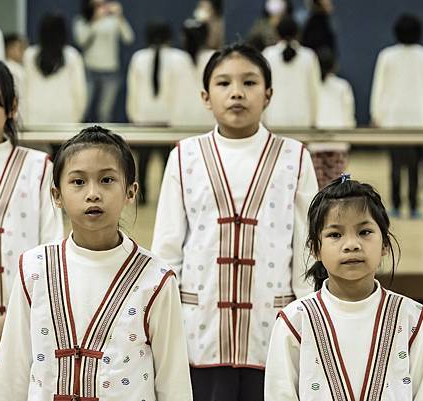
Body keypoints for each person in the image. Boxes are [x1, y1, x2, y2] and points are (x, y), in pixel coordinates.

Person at [151, 43, 318, 401]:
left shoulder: (294, 157)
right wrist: (163, 321)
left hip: (272, 322)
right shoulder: (185, 156)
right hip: (201, 324)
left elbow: (307, 247)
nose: (237, 93)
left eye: (250, 82)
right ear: (206, 96)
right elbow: (167, 247)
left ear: (268, 94)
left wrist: (309, 318)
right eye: (224, 83)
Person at [0, 125, 193, 401]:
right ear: (57, 195)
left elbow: (173, 382)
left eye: (107, 180)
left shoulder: (156, 278)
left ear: (131, 192)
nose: (93, 193)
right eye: (78, 182)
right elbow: (11, 374)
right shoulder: (34, 269)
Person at [265, 176, 423, 400]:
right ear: (315, 249)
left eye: (364, 232)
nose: (351, 245)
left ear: (385, 244)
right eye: (335, 235)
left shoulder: (412, 319)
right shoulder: (295, 322)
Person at [0, 54, 63, 401]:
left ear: (11, 106)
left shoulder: (37, 168)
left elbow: (52, 253)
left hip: (24, 332)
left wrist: (14, 319)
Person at [370, 13, 423, 219]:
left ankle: (396, 204)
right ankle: (413, 205)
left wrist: (377, 114)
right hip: (419, 118)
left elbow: (379, 87)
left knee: (395, 164)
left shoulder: (387, 55)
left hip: (393, 118)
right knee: (415, 165)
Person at [126, 21, 193, 203]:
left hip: (144, 116)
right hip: (170, 118)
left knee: (143, 160)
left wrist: (133, 114)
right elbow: (185, 91)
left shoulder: (138, 57)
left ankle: (142, 195)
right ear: (169, 37)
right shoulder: (179, 58)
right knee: (168, 160)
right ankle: (167, 197)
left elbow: (133, 89)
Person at [22, 13, 87, 126]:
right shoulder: (72, 56)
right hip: (66, 115)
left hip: (35, 115)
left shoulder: (29, 55)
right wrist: (78, 117)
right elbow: (80, 91)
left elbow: (23, 89)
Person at [74, 0, 134, 122]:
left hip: (111, 71)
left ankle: (104, 140)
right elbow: (81, 41)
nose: (101, 8)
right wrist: (94, 20)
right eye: (97, 5)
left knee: (105, 112)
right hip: (89, 70)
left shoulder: (113, 20)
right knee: (81, 109)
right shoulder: (81, 21)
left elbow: (129, 38)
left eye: (103, 4)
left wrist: (120, 16)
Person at [263, 15, 321, 128]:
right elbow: (314, 91)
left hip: (274, 118)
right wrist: (314, 120)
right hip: (302, 119)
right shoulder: (309, 56)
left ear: (277, 33)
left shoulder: (268, 55)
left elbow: (262, 89)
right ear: (297, 33)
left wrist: (263, 119)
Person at [309, 46, 354, 187]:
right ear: (334, 65)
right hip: (338, 141)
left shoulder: (310, 87)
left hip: (315, 142)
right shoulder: (342, 86)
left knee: (317, 187)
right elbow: (348, 115)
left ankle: (319, 209)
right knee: (336, 187)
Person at [174, 18, 215, 127]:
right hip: (209, 121)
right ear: (207, 37)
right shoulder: (215, 58)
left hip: (179, 122)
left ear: (184, 38)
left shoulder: (175, 58)